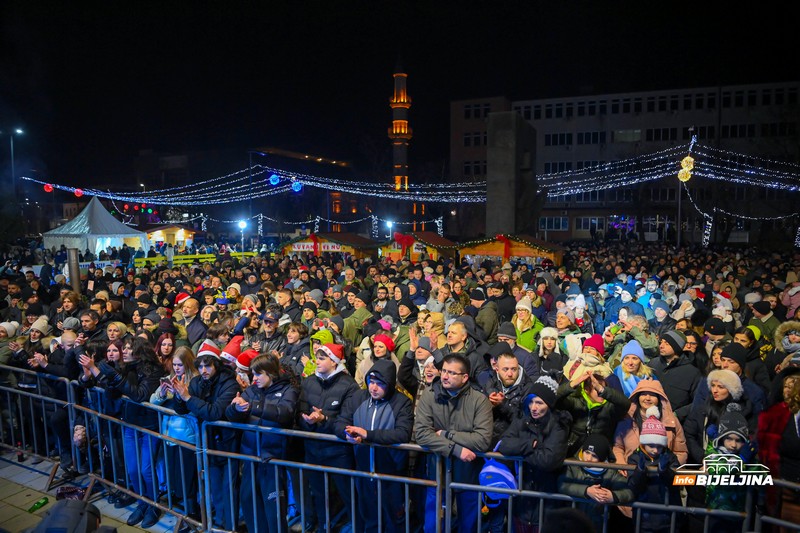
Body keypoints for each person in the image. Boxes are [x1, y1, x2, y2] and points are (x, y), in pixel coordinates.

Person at [414, 353, 493, 533]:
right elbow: (422, 434)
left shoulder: (479, 400)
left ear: (465, 377)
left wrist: (446, 434)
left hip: (468, 474)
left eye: (451, 373)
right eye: (443, 371)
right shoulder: (430, 395)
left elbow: (482, 440)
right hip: (437, 471)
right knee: (433, 526)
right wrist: (455, 449)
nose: (445, 376)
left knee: (468, 526)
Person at [335, 358, 414, 532]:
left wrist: (368, 435)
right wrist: (347, 434)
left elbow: (403, 433)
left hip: (391, 473)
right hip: (363, 469)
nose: (374, 387)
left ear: (390, 384)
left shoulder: (401, 402)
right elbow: (340, 422)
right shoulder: (358, 397)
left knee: (394, 521)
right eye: (371, 382)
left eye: (380, 383)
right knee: (370, 518)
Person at [94, 337, 165, 528]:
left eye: (128, 348)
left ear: (139, 351)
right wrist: (110, 378)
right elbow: (112, 396)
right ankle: (142, 503)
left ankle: (154, 505)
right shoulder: (125, 368)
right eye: (123, 348)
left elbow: (140, 395)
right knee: (132, 469)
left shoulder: (153, 370)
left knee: (146, 469)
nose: (123, 351)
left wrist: (117, 377)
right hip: (129, 424)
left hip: (149, 427)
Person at [227, 354, 299, 533]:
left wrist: (254, 407)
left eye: (259, 374)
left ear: (271, 373)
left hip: (273, 459)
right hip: (250, 457)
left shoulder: (288, 390)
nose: (254, 378)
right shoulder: (251, 391)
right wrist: (236, 408)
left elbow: (285, 413)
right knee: (249, 502)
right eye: (253, 374)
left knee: (274, 509)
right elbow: (230, 414)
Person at [172, 348, 241, 530]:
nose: (203, 370)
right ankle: (219, 524)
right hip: (208, 442)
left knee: (229, 488)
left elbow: (215, 412)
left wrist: (187, 397)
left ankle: (230, 527)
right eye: (201, 366)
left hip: (227, 444)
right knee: (215, 488)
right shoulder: (197, 382)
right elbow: (182, 409)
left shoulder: (230, 384)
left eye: (208, 366)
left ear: (216, 365)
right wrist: (179, 396)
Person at [297, 343, 360, 531]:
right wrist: (307, 421)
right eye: (317, 357)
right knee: (319, 494)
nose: (317, 361)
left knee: (348, 494)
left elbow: (347, 419)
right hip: (313, 448)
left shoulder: (349, 385)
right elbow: (299, 411)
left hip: (338, 451)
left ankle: (358, 527)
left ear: (334, 362)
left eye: (322, 358)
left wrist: (324, 419)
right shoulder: (309, 382)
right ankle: (324, 527)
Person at [497, 376, 571, 533]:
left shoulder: (558, 426)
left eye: (539, 403)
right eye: (531, 401)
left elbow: (548, 460)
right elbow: (504, 445)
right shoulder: (522, 420)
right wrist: (530, 445)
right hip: (522, 501)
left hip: (547, 501)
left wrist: (520, 452)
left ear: (549, 404)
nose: (533, 407)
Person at [149, 347, 200, 528]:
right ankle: (185, 510)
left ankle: (193, 513)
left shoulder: (195, 382)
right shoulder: (170, 379)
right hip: (169, 434)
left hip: (187, 436)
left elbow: (195, 409)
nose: (177, 368)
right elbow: (152, 401)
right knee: (176, 476)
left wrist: (182, 395)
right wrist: (162, 393)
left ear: (188, 364)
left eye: (180, 365)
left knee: (188, 478)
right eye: (175, 365)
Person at [558, 434, 634, 532]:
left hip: (597, 524)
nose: (588, 458)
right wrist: (586, 491)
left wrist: (613, 496)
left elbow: (629, 491)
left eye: (594, 455)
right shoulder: (573, 465)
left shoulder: (610, 471)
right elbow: (562, 485)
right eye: (587, 452)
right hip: (572, 522)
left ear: (602, 458)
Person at [626, 409, 682, 533]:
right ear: (644, 443)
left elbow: (677, 483)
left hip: (668, 517)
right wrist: (640, 471)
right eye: (651, 445)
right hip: (643, 516)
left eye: (659, 446)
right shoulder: (635, 458)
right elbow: (633, 486)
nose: (655, 450)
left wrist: (664, 471)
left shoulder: (670, 457)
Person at [613, 379, 688, 466]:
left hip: (663, 471)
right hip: (631, 470)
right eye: (643, 394)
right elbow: (618, 447)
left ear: (659, 398)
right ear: (637, 397)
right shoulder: (627, 419)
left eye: (652, 395)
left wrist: (671, 469)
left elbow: (681, 452)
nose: (647, 398)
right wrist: (621, 464)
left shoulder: (671, 421)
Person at [648, 330, 701, 421]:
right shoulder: (653, 364)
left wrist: (677, 414)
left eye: (667, 343)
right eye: (661, 342)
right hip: (650, 417)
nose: (661, 346)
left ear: (677, 346)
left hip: (677, 421)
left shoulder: (692, 372)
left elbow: (697, 401)